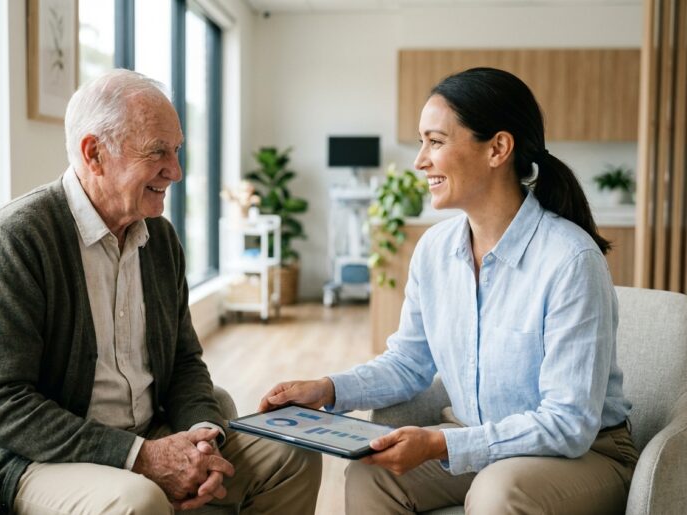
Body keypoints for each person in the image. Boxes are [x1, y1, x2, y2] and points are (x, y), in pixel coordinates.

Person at [0, 69, 321, 515]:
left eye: (176, 150)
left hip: (144, 434)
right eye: (157, 152)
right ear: (94, 153)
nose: (175, 171)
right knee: (139, 501)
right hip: (31, 456)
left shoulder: (159, 239)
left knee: (292, 456)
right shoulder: (18, 237)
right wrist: (141, 457)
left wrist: (203, 436)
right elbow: (0, 406)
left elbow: (183, 361)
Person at [260, 67, 639, 514]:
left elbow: (569, 423)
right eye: (422, 142)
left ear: (498, 148)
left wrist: (442, 443)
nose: (420, 160)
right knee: (371, 475)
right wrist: (327, 390)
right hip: (479, 439)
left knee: (497, 490)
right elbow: (408, 363)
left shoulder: (570, 261)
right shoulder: (435, 251)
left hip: (581, 454)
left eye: (435, 142)